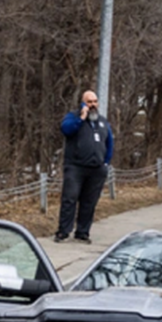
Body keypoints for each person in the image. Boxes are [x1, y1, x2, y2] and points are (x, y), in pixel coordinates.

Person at [56, 90, 113, 244]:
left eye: (95, 101)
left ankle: (82, 232)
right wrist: (81, 118)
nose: (92, 105)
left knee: (89, 202)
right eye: (89, 102)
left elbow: (109, 143)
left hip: (97, 169)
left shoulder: (102, 122)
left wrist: (105, 163)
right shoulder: (73, 117)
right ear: (83, 103)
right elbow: (66, 130)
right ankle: (63, 231)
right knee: (70, 199)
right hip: (75, 167)